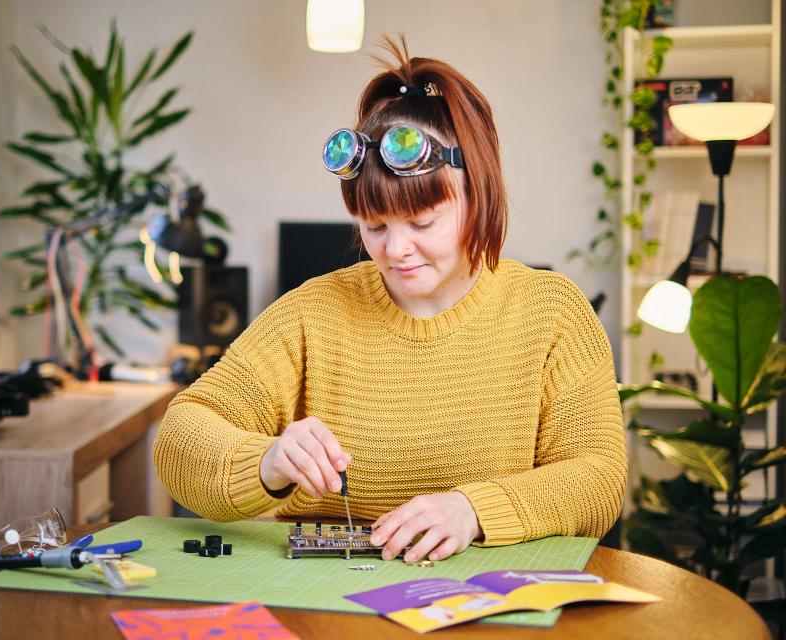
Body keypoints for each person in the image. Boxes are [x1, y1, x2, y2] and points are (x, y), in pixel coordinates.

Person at [153, 37, 627, 565]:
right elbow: (180, 437)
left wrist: (472, 510)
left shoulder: (551, 312)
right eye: (375, 226)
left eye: (422, 222)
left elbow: (599, 478)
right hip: (323, 593)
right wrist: (267, 461)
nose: (395, 250)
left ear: (479, 196)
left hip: (487, 597)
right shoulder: (313, 313)